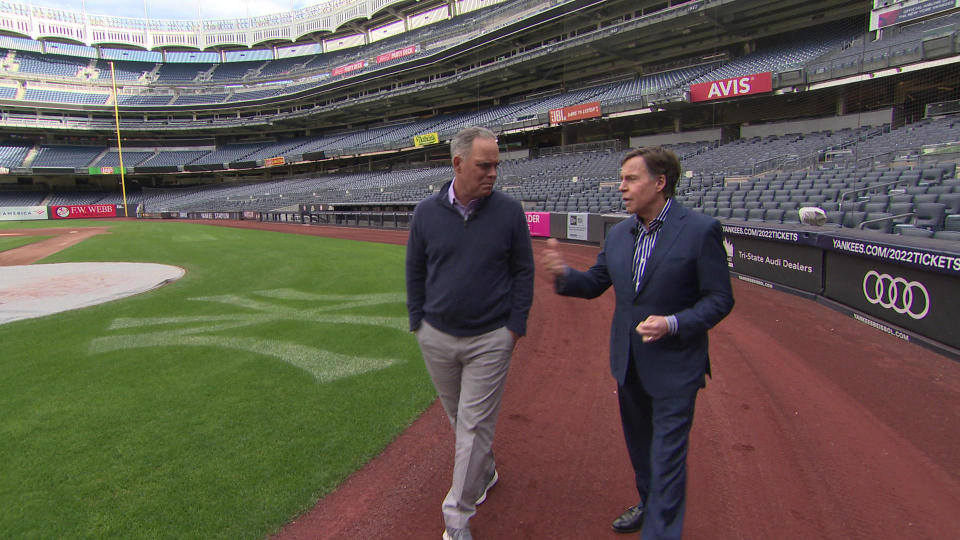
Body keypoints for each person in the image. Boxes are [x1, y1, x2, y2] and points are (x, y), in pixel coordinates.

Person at [541, 146, 734, 540]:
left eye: (631, 179)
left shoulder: (700, 230)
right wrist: (563, 274)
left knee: (667, 459)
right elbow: (596, 283)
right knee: (643, 450)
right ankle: (648, 503)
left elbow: (720, 299)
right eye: (621, 179)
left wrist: (674, 323)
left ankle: (661, 530)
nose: (621, 188)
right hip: (629, 363)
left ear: (660, 182)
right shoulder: (619, 234)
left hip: (677, 368)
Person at [406, 126, 535, 540]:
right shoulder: (426, 212)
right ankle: (488, 469)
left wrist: (514, 328)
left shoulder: (509, 211)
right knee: (460, 419)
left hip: (490, 339)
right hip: (437, 338)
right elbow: (415, 269)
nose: (493, 173)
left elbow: (523, 271)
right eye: (484, 165)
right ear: (458, 164)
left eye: (496, 165)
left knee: (474, 424)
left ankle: (456, 520)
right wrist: (418, 322)